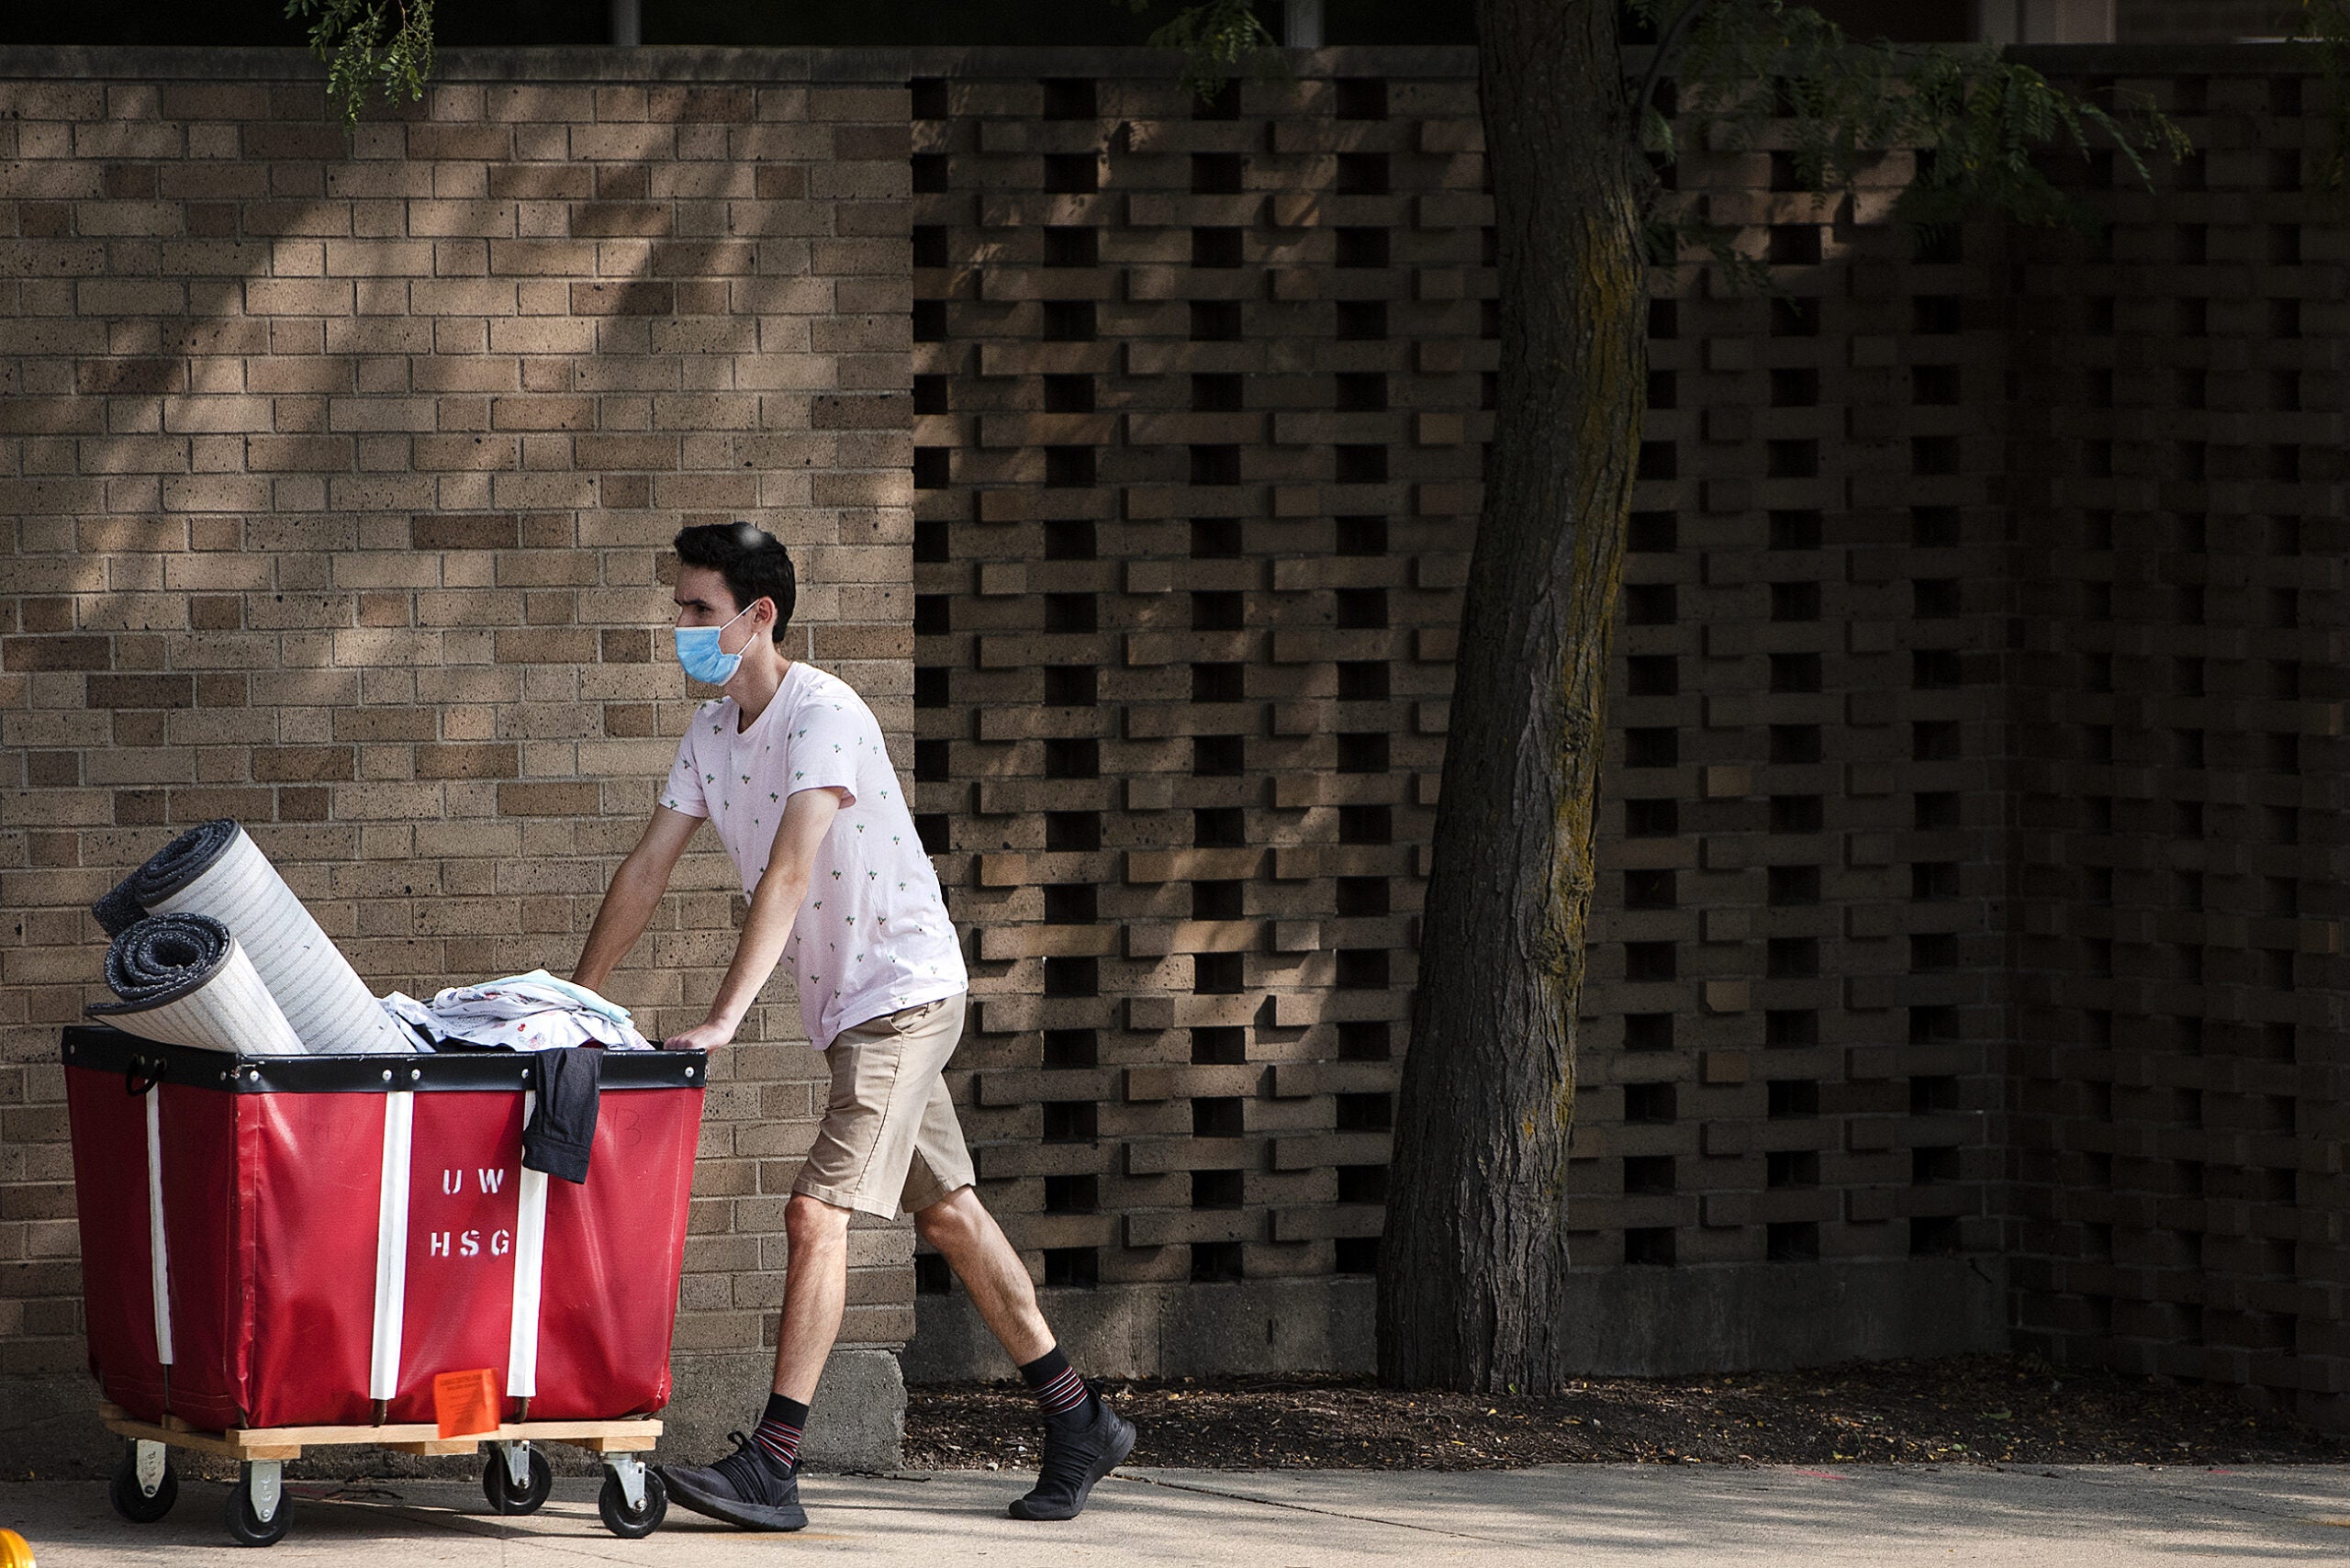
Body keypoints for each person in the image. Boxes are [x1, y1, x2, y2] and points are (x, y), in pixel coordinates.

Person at [570, 522, 1134, 1530]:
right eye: (679, 609)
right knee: (950, 1214)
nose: (681, 628)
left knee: (813, 1212)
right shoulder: (708, 737)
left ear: (759, 616)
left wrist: (724, 1018)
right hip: (851, 1011)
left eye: (698, 610)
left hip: (903, 996)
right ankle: (1078, 1417)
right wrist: (568, 1000)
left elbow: (789, 871)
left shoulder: (821, 712)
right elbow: (646, 869)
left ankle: (773, 1461)